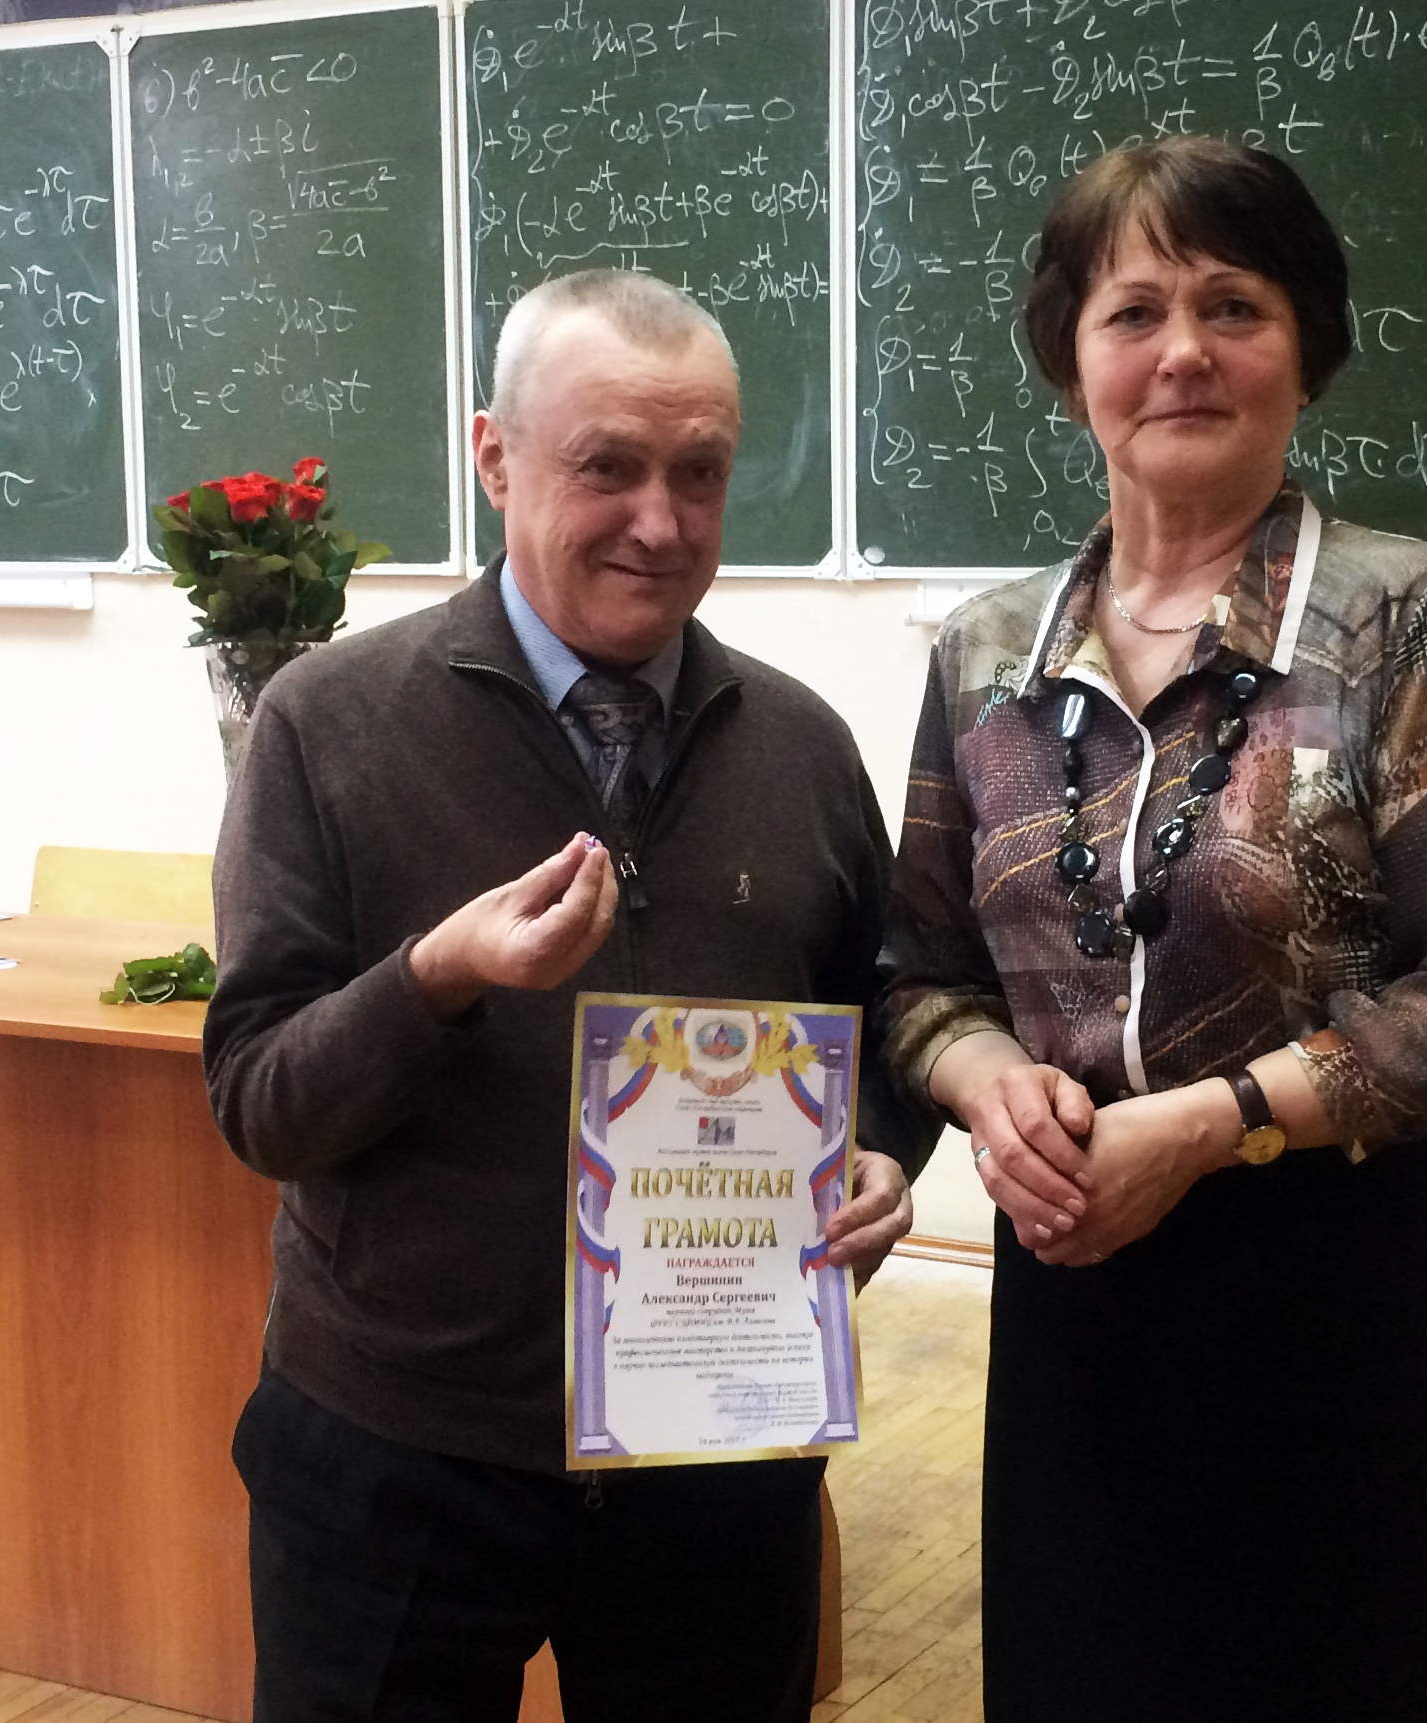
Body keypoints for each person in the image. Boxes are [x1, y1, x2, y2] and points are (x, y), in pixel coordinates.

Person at [877, 137, 1427, 1722]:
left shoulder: (1405, 615)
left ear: (1305, 350)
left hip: (1352, 1283)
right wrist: (988, 1084)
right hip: (1079, 1277)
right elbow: (914, 970)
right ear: (1070, 360)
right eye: (1133, 311)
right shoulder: (982, 654)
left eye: (1233, 306)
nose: (1182, 351)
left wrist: (1209, 1124)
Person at [204, 268, 931, 1723]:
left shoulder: (801, 747)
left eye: (700, 473)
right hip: (399, 1452)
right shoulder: (327, 727)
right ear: (495, 458)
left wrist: (884, 1153)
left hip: (716, 1450)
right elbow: (259, 1105)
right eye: (608, 467)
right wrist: (436, 979)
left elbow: (890, 1017)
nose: (660, 522)